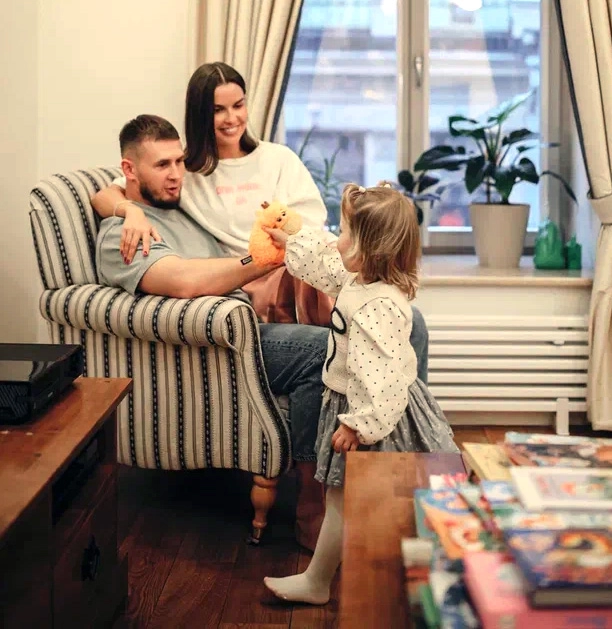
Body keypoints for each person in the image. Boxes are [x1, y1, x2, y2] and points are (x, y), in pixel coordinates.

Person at [90, 61, 429, 383]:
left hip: (308, 269)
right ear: (200, 114)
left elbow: (312, 228)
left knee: (410, 324)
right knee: (368, 336)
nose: (231, 118)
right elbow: (109, 193)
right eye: (218, 110)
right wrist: (130, 212)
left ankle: (408, 419)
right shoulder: (185, 172)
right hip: (252, 282)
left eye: (238, 105)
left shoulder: (277, 158)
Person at [97, 113, 330, 550]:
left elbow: (105, 194)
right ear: (129, 169)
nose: (176, 175)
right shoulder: (121, 236)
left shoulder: (178, 208)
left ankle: (402, 472)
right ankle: (312, 505)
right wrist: (265, 260)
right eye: (161, 165)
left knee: (392, 327)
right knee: (325, 350)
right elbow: (183, 281)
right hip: (218, 350)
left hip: (248, 327)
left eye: (178, 162)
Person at [262, 183, 459, 605]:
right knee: (345, 499)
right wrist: (292, 239)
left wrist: (358, 425)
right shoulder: (360, 279)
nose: (339, 241)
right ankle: (326, 579)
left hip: (372, 414)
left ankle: (331, 580)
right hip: (360, 405)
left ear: (373, 249)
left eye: (348, 234)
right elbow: (325, 266)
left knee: (351, 498)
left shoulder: (376, 307)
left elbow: (381, 377)